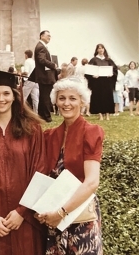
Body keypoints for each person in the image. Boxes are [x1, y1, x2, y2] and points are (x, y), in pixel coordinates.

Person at [0, 69, 47, 255]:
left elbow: (40, 171)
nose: (1, 99)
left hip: (24, 221)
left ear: (15, 96)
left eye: (6, 93)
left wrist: (22, 212)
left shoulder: (32, 130)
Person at [36, 77, 104, 254]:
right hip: (54, 218)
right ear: (55, 101)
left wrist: (61, 212)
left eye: (72, 98)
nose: (66, 103)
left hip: (80, 218)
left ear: (82, 101)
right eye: (62, 98)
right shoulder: (49, 136)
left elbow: (91, 182)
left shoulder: (90, 133)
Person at [28, 30, 57, 122]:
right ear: (41, 36)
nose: (49, 37)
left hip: (44, 76)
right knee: (46, 97)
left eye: (50, 36)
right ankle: (46, 117)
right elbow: (41, 60)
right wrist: (53, 65)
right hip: (45, 76)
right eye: (48, 35)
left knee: (44, 97)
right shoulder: (41, 47)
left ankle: (42, 116)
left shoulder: (41, 46)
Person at [85, 43, 117, 121]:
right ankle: (100, 115)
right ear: (97, 50)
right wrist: (92, 75)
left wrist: (112, 74)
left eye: (102, 48)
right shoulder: (94, 59)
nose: (101, 49)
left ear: (104, 49)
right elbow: (87, 72)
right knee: (98, 98)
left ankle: (107, 114)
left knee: (107, 98)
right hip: (97, 82)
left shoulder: (108, 59)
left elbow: (115, 69)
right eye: (99, 48)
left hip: (107, 82)